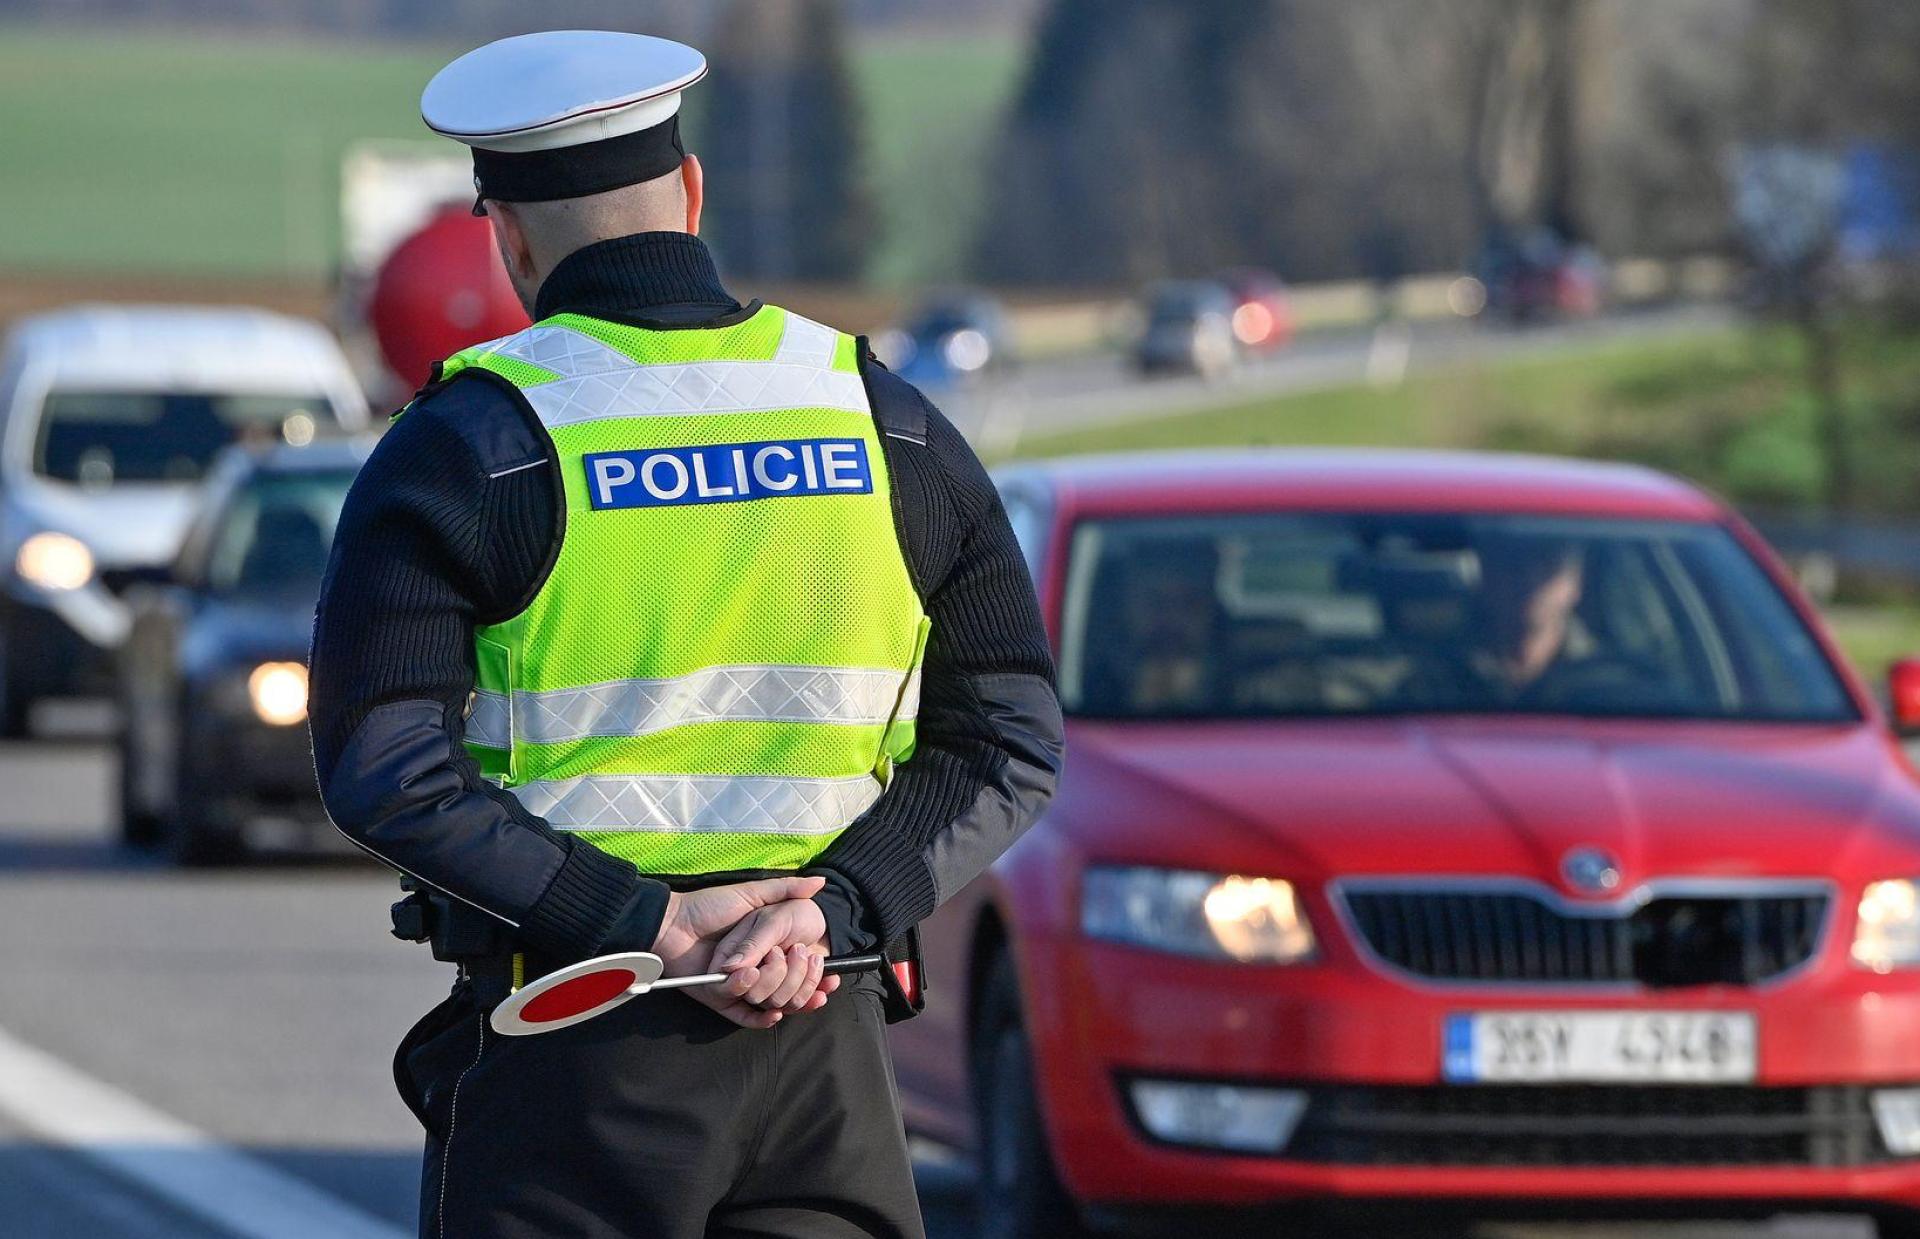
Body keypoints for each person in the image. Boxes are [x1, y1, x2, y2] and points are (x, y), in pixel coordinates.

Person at [308, 30, 1063, 1239]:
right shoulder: (882, 416)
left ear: (506, 235)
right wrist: (828, 911)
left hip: (576, 1050)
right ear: (692, 192)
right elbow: (1010, 737)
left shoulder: (468, 444)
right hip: (828, 1036)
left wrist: (648, 929)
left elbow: (384, 769)